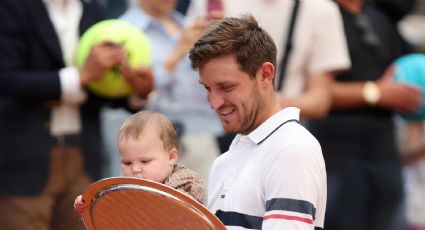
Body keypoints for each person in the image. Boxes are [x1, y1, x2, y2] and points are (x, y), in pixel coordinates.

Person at [0, 0, 153, 229]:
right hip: (24, 161)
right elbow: (7, 80)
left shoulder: (92, 9)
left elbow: (98, 89)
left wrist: (135, 92)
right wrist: (81, 76)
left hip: (84, 156)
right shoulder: (12, 7)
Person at [189, 14, 327, 229]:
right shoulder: (223, 163)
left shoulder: (291, 151)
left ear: (265, 74)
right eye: (207, 88)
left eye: (226, 87)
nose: (214, 103)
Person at [307, 0, 422, 229]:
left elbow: (403, 72)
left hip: (384, 145)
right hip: (337, 146)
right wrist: (374, 92)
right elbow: (310, 91)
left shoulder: (379, 18)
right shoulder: (318, 14)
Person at [101, 0, 224, 181]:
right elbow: (127, 96)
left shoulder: (189, 26)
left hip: (203, 138)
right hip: (148, 149)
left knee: (204, 207)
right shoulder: (121, 33)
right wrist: (178, 52)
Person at [74, 111, 205, 213]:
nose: (135, 169)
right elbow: (109, 204)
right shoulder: (125, 188)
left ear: (171, 157)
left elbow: (178, 210)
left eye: (145, 161)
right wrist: (90, 204)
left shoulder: (186, 180)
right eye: (127, 163)